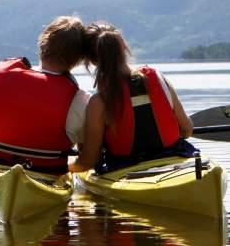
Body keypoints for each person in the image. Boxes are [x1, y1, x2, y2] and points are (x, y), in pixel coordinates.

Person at [0, 16, 89, 174]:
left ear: (42, 45)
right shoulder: (80, 100)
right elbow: (85, 156)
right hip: (43, 173)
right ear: (79, 59)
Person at [69, 22, 193, 174]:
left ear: (92, 60)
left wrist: (68, 168)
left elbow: (89, 161)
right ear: (124, 45)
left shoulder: (99, 102)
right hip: (174, 160)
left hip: (125, 169)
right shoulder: (159, 80)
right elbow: (186, 130)